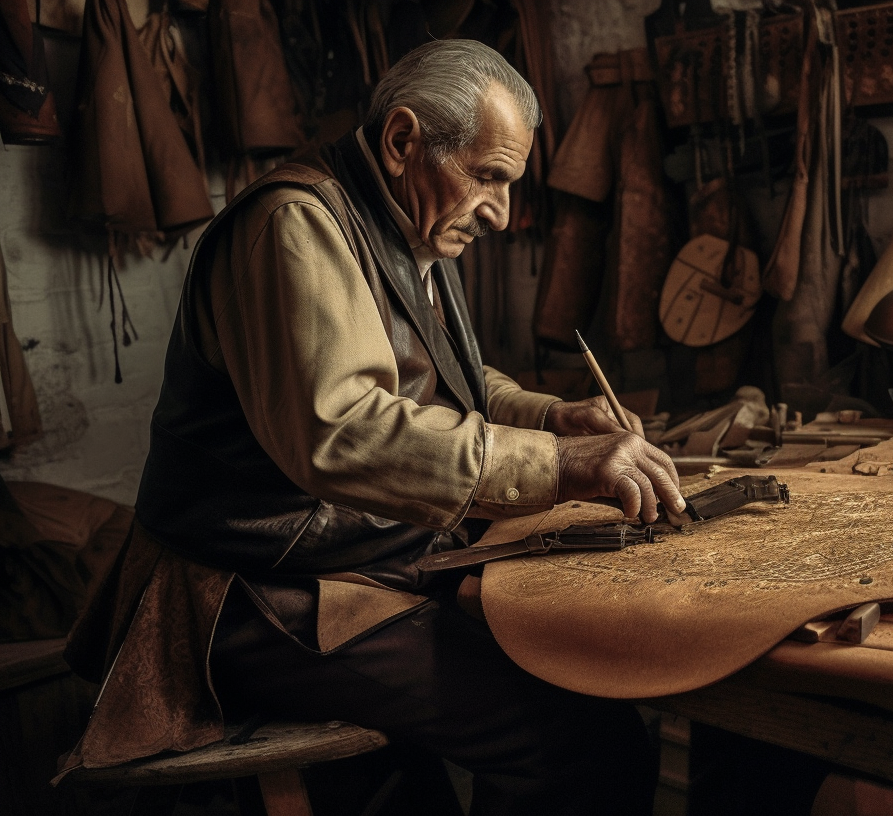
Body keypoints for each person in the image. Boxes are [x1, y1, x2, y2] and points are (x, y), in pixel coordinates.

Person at [60, 41, 679, 815]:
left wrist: (551, 415)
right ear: (401, 141)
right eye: (488, 177)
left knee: (571, 673)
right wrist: (561, 461)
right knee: (581, 737)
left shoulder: (411, 225)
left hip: (352, 565)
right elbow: (345, 429)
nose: (502, 212)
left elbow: (446, 381)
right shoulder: (296, 225)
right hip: (252, 591)